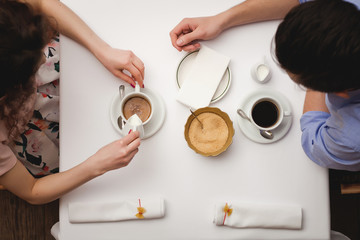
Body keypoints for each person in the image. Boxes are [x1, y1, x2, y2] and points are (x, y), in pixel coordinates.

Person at [170, 0, 360, 171]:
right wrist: (221, 20)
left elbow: (314, 141)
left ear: (337, 91)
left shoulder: (351, 137)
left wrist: (317, 69)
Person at [0, 0, 142, 204]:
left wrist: (100, 48)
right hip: (33, 133)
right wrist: (96, 165)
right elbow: (32, 191)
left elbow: (40, 3)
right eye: (35, 65)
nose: (43, 59)